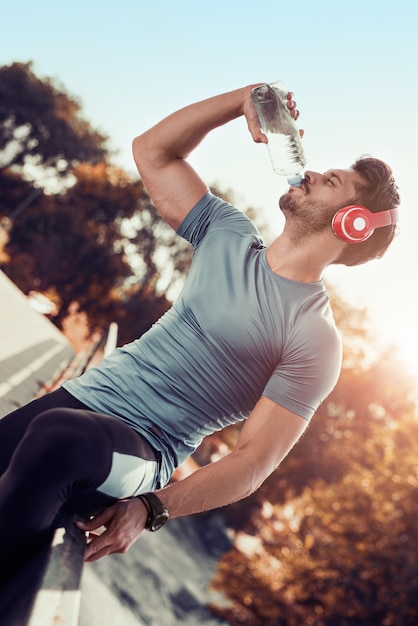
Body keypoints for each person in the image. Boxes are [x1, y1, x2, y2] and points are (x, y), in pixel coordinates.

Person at [0, 84, 400, 587]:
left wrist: (152, 508)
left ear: (354, 222)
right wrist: (242, 102)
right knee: (48, 434)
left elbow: (254, 461)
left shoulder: (314, 337)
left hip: (142, 451)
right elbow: (152, 150)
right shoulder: (227, 232)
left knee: (59, 437)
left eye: (332, 181)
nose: (313, 172)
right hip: (79, 398)